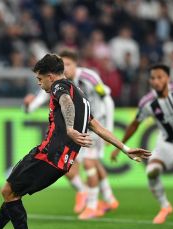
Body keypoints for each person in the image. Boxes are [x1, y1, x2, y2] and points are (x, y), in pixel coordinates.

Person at [0, 54, 151, 229]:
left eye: (40, 79)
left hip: (49, 154)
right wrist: (125, 148)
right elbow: (96, 126)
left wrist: (70, 128)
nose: (39, 83)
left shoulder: (59, 87)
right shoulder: (82, 97)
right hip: (62, 162)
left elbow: (65, 102)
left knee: (7, 190)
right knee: (12, 192)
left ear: (50, 76)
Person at [111, 64, 173, 224]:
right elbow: (135, 124)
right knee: (152, 171)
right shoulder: (147, 102)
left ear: (168, 78)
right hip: (168, 144)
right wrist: (120, 147)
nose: (156, 81)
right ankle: (165, 206)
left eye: (160, 77)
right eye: (153, 78)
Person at [23, 50, 119, 220]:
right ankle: (105, 198)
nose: (66, 68)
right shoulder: (58, 83)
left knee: (90, 163)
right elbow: (37, 100)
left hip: (94, 125)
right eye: (63, 65)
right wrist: (28, 106)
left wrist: (108, 128)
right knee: (77, 166)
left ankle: (92, 205)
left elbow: (107, 99)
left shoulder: (90, 77)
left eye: (69, 64)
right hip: (75, 129)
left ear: (76, 64)